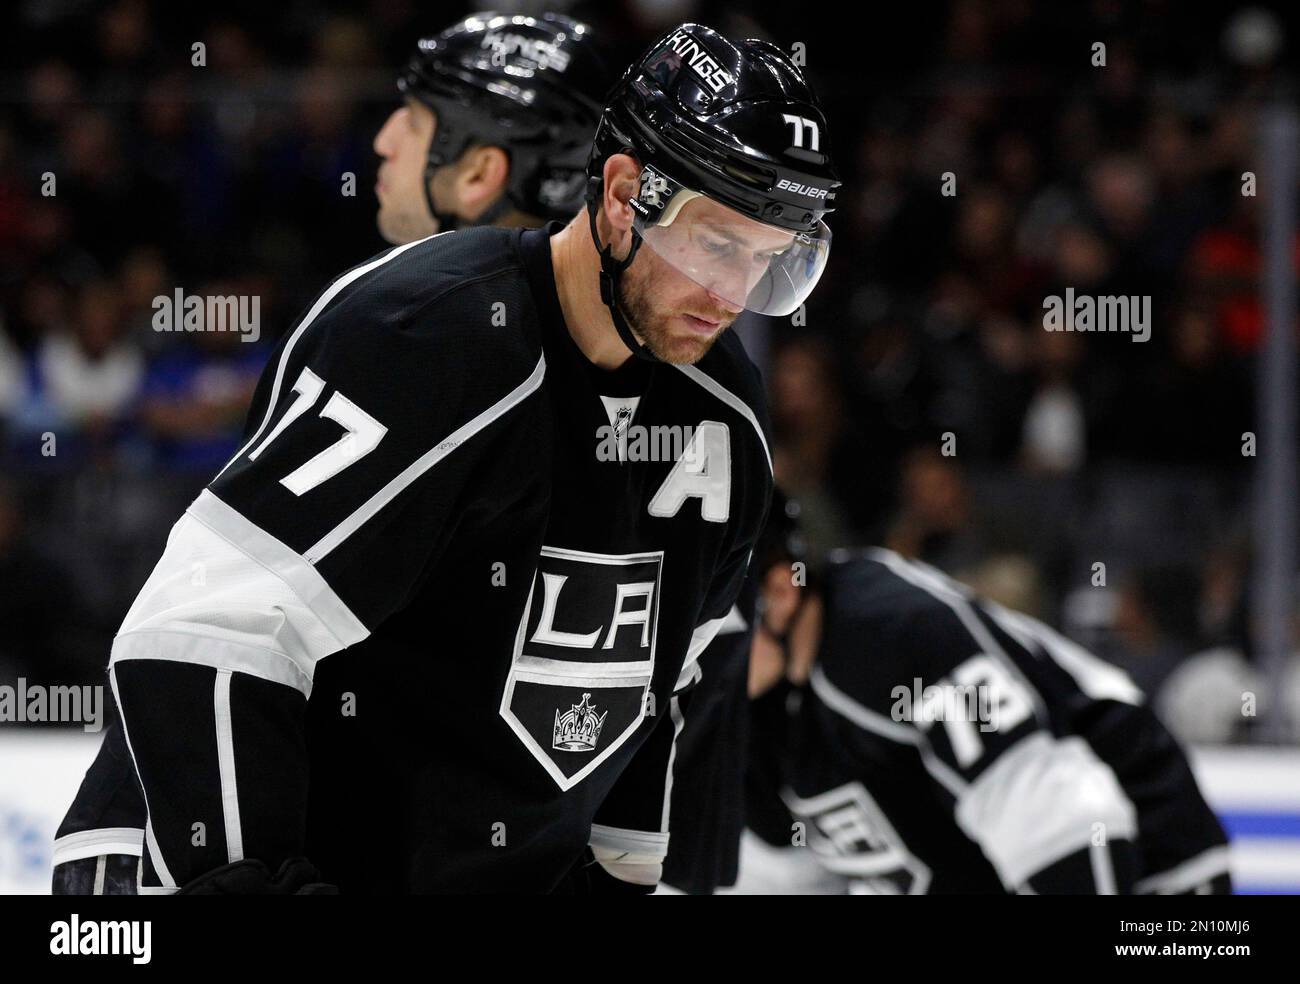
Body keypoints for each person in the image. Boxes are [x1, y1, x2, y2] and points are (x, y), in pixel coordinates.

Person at [59, 21, 838, 895]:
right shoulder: (424, 334)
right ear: (623, 192)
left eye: (768, 264)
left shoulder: (722, 411)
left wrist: (618, 880)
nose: (732, 296)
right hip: (193, 864)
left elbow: (655, 694)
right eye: (716, 245)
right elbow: (202, 632)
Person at [53, 9, 614, 896]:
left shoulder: (431, 332)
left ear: (479, 170)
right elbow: (210, 629)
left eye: (416, 117)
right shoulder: (403, 329)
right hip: (193, 846)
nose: (384, 140)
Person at [744, 512, 1232, 894]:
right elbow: (787, 876)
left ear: (781, 593)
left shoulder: (889, 631)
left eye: (707, 610)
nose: (678, 643)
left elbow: (1064, 822)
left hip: (1158, 866)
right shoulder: (746, 706)